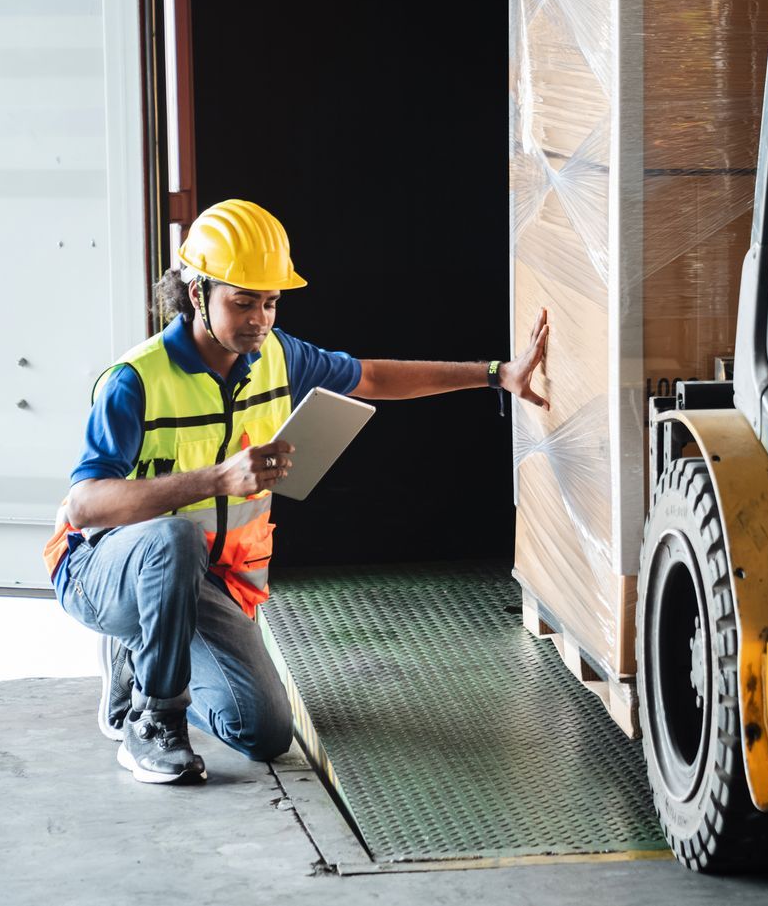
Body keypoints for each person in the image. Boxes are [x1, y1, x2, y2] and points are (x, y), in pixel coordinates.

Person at [43, 199, 550, 784]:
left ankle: (147, 652)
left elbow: (375, 377)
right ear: (196, 293)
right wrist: (217, 478)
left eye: (271, 302)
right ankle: (152, 721)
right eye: (243, 301)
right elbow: (85, 506)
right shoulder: (136, 381)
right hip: (101, 571)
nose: (260, 319)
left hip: (203, 581)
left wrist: (495, 374)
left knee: (263, 732)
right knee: (173, 538)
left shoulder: (277, 357)